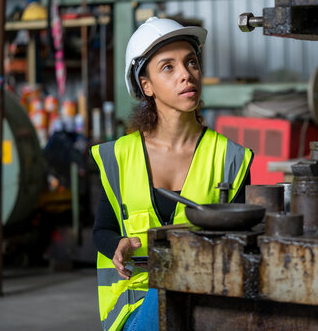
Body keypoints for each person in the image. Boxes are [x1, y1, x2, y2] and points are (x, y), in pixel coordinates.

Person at [91, 17, 253, 331]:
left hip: (208, 303)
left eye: (191, 62)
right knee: (166, 290)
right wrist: (117, 247)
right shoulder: (119, 156)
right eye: (168, 67)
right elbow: (102, 229)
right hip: (134, 307)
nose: (186, 74)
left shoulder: (231, 158)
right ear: (145, 85)